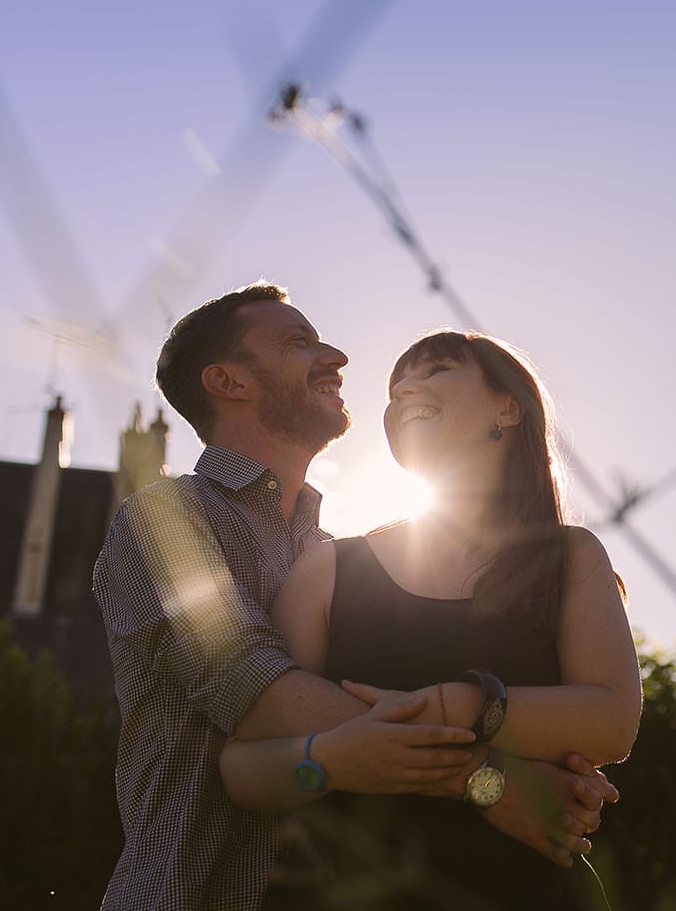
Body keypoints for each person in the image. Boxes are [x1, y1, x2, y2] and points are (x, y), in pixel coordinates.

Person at [93, 283, 616, 911]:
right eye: (299, 343)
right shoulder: (167, 518)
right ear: (229, 381)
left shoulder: (327, 552)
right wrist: (487, 780)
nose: (337, 357)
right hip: (196, 889)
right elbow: (255, 694)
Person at [218, 329, 642, 908]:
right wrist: (329, 763)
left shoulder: (572, 558)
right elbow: (244, 765)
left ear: (508, 407)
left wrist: (463, 703)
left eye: (437, 369)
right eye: (395, 388)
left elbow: (612, 721)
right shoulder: (328, 568)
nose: (406, 389)